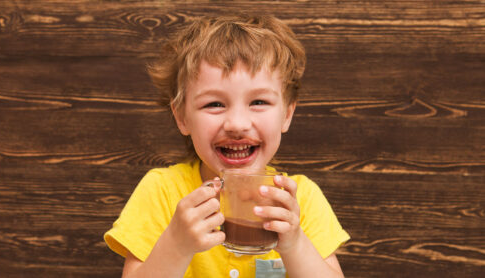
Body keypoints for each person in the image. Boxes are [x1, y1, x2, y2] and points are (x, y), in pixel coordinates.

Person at [104, 14, 350, 278]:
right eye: (214, 104)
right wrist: (176, 244)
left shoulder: (301, 199)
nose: (237, 124)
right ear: (182, 118)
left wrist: (295, 243)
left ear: (287, 115)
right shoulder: (162, 192)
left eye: (258, 102)